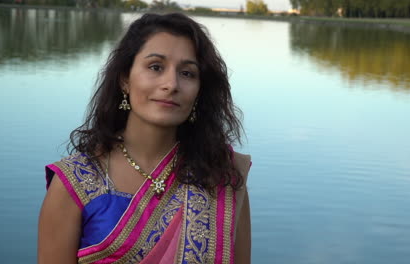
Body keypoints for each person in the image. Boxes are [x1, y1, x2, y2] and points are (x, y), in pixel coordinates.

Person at [38, 13, 251, 264]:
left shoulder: (222, 177)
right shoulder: (74, 184)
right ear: (125, 80)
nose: (171, 84)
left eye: (187, 73)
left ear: (199, 91)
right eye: (155, 67)